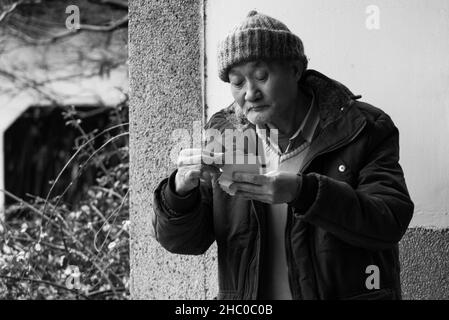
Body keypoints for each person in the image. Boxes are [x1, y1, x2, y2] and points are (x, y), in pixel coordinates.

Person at [152, 10, 414, 300]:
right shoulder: (227, 134)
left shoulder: (361, 127)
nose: (249, 93)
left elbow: (389, 219)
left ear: (295, 70)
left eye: (261, 76)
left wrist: (304, 192)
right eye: (237, 82)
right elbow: (186, 241)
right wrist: (179, 193)